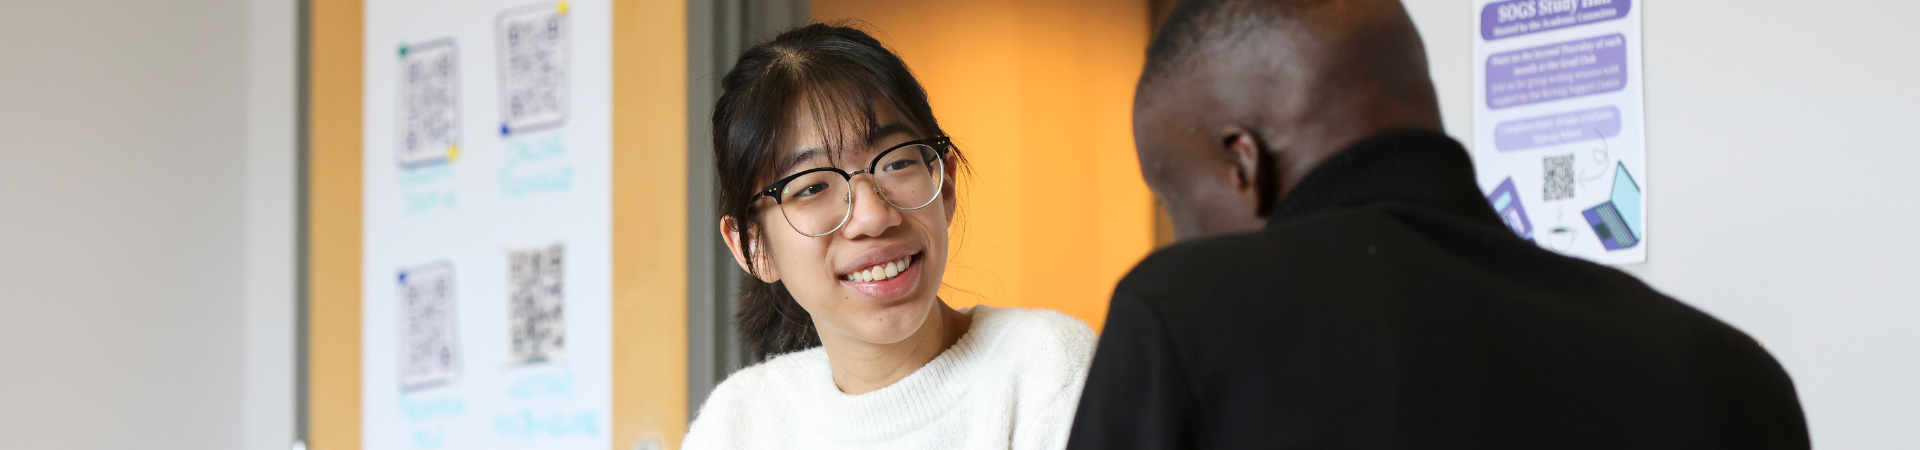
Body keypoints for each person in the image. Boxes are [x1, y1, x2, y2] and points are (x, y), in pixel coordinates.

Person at [1066, 0, 1810, 448]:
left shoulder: (1188, 314)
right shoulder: (1732, 375)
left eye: (1177, 200)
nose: (1186, 234)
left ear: (1242, 163)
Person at [682, 23, 1097, 450]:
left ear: (945, 182)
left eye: (896, 163)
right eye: (811, 187)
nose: (873, 216)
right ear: (751, 247)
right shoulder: (740, 422)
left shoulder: (1046, 369)